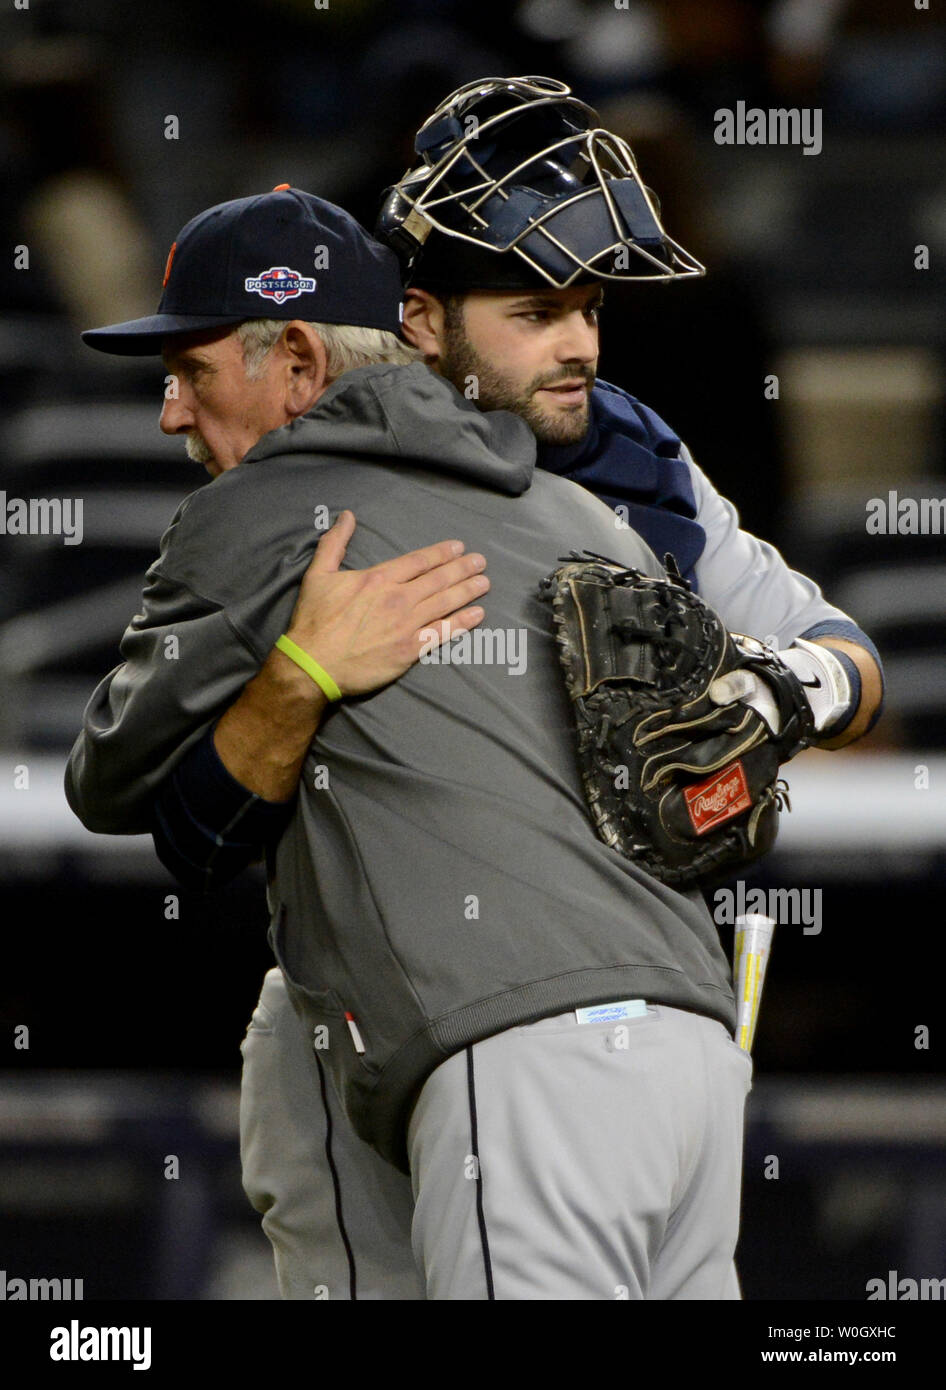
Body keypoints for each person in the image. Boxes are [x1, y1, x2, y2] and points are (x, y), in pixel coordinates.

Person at [66, 78, 883, 1301]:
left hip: (571, 989)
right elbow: (181, 816)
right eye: (536, 309)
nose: (580, 346)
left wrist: (781, 692)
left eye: (590, 308)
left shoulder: (619, 465)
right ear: (417, 322)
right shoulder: (386, 486)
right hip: (395, 974)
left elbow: (851, 660)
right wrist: (301, 676)